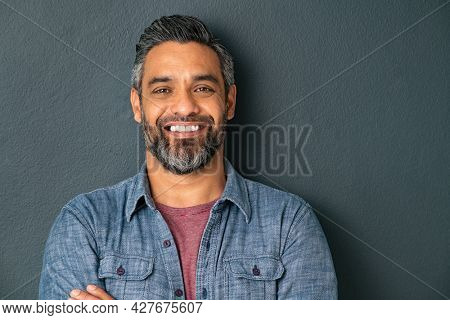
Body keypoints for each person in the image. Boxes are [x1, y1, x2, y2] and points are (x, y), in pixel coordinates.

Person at [39, 14, 337, 300]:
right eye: (163, 89)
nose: (184, 107)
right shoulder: (84, 224)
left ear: (229, 102)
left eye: (203, 88)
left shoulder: (290, 224)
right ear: (137, 105)